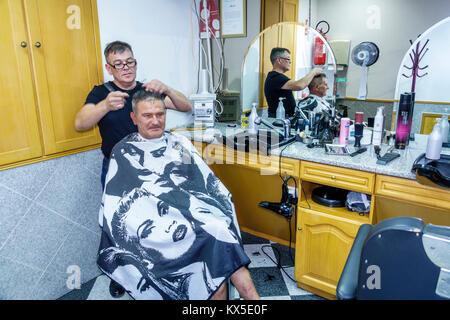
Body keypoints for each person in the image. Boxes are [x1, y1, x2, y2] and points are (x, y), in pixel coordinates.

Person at [97, 90, 259, 300]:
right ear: (134, 118)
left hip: (192, 218)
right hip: (158, 233)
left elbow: (204, 185)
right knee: (219, 244)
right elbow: (114, 210)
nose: (155, 121)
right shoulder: (124, 151)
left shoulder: (179, 142)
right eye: (147, 115)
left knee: (219, 233)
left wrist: (215, 209)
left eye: (160, 114)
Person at [74, 40, 192, 190]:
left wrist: (168, 89)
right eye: (118, 64)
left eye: (129, 62)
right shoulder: (101, 93)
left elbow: (185, 106)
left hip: (151, 164)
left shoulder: (148, 90)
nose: (126, 68)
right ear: (109, 68)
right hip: (116, 166)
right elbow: (80, 123)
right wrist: (104, 106)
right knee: (118, 211)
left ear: (135, 64)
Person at [264, 47, 324, 118]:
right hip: (279, 119)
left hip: (284, 117)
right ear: (279, 60)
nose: (290, 62)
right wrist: (313, 72)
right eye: (288, 59)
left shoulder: (277, 77)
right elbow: (300, 85)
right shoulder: (275, 77)